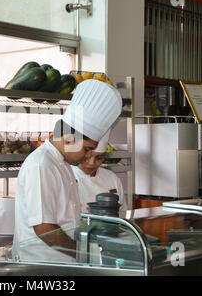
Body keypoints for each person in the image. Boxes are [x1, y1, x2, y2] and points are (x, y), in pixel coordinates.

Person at [12, 80, 122, 262]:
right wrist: (82, 254)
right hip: (41, 267)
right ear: (69, 139)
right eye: (87, 149)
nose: (88, 157)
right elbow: (44, 228)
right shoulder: (41, 165)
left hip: (62, 263)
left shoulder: (62, 163)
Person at [72, 130, 127, 214]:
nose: (91, 164)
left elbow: (122, 213)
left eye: (99, 158)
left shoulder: (112, 178)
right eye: (86, 157)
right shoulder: (67, 175)